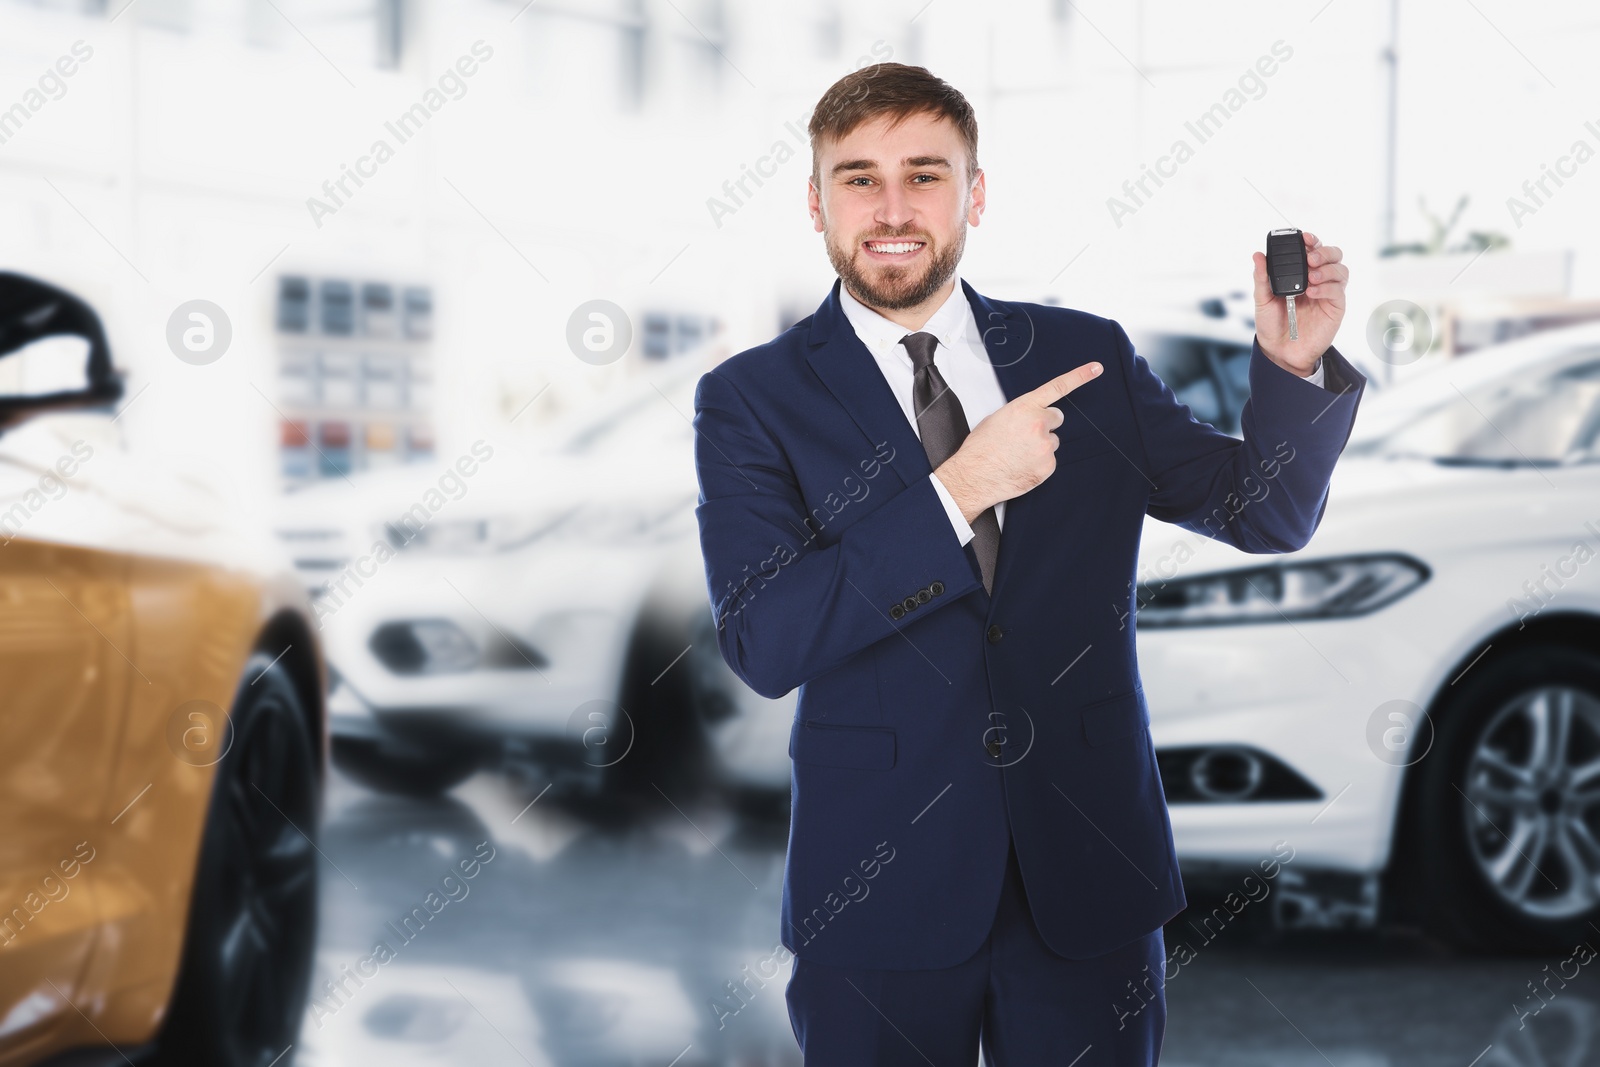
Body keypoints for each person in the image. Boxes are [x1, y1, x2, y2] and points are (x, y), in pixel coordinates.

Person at [691, 62, 1365, 1065]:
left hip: (1088, 866)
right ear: (815, 200)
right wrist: (958, 488)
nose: (891, 207)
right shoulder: (750, 398)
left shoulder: (1082, 355)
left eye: (924, 174)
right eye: (858, 177)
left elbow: (1260, 510)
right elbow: (766, 636)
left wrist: (1289, 367)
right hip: (878, 881)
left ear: (974, 191)